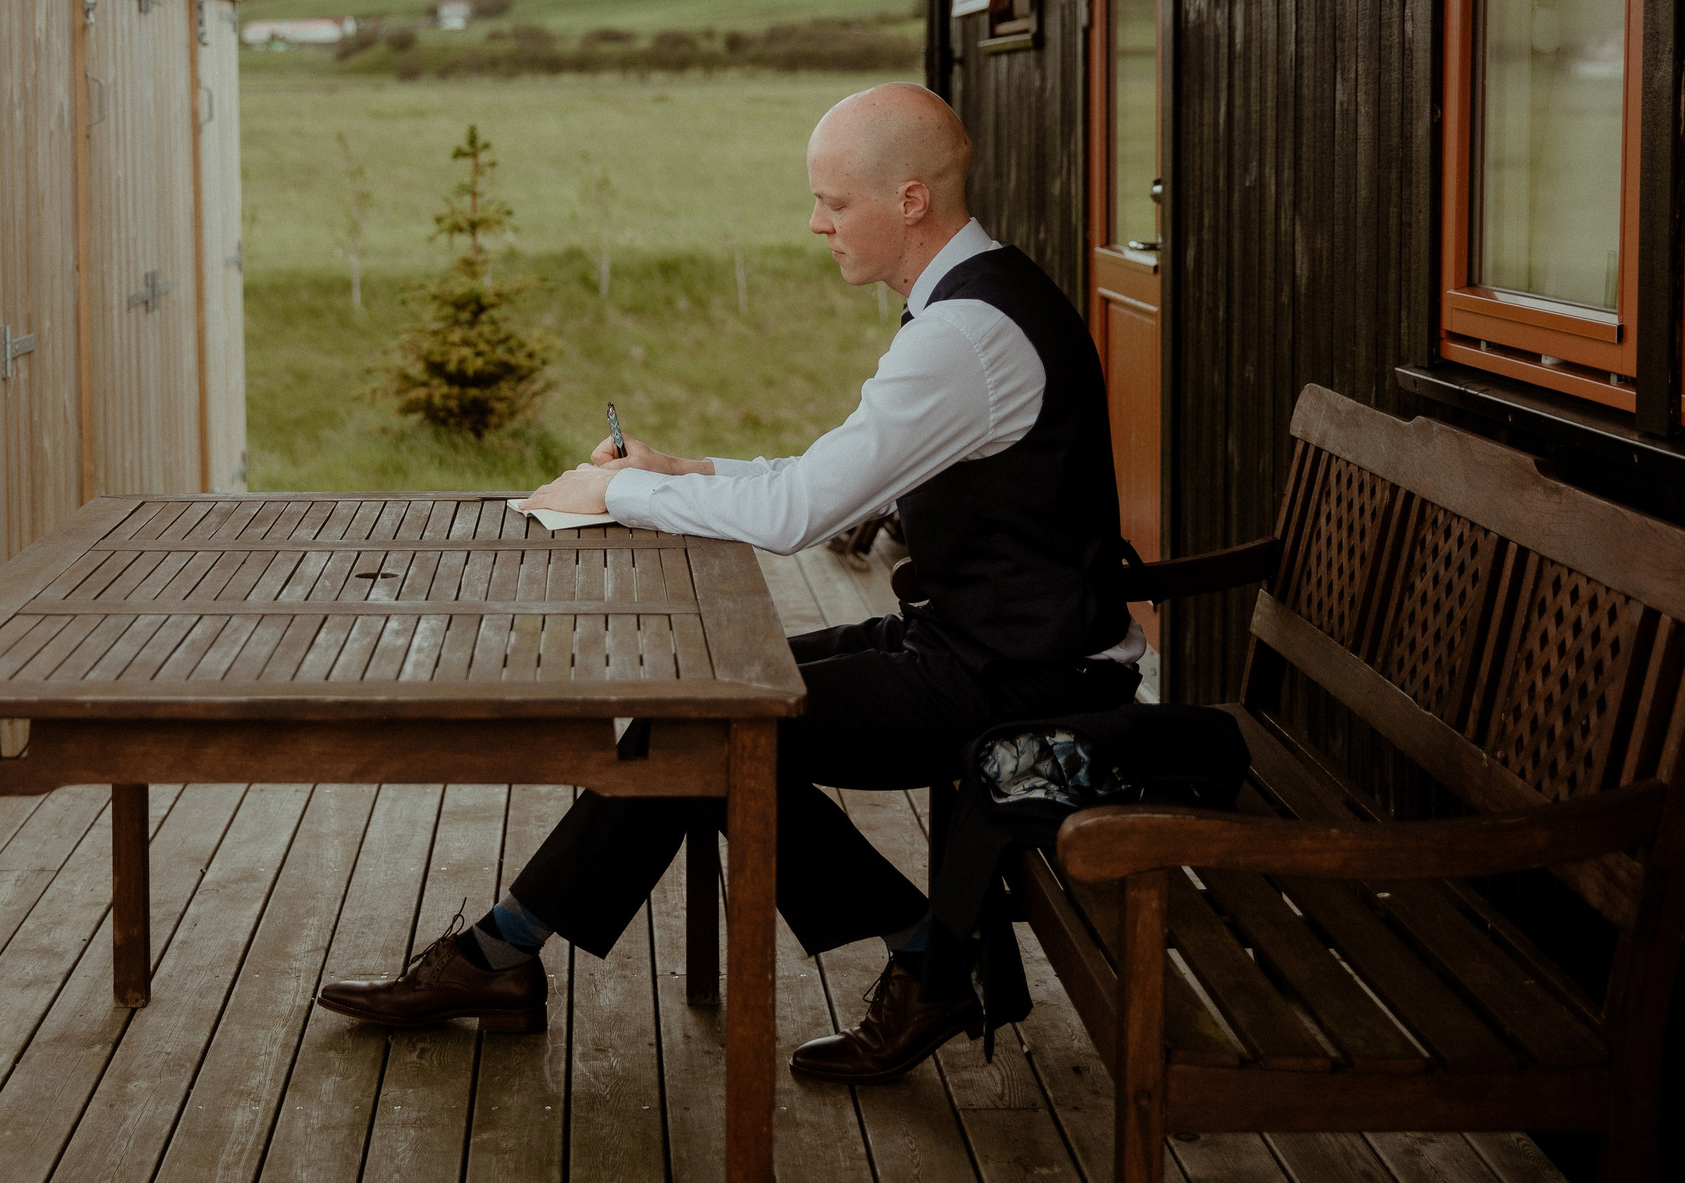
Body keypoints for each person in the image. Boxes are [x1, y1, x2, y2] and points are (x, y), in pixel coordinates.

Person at [314, 82, 1145, 1082]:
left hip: (1026, 678)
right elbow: (826, 487)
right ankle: (512, 952)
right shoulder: (973, 306)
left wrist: (620, 492)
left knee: (710, 729)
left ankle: (916, 958)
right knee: (697, 718)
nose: (815, 223)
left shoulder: (962, 340)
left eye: (835, 202)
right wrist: (681, 476)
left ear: (911, 199)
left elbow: (799, 518)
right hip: (985, 641)